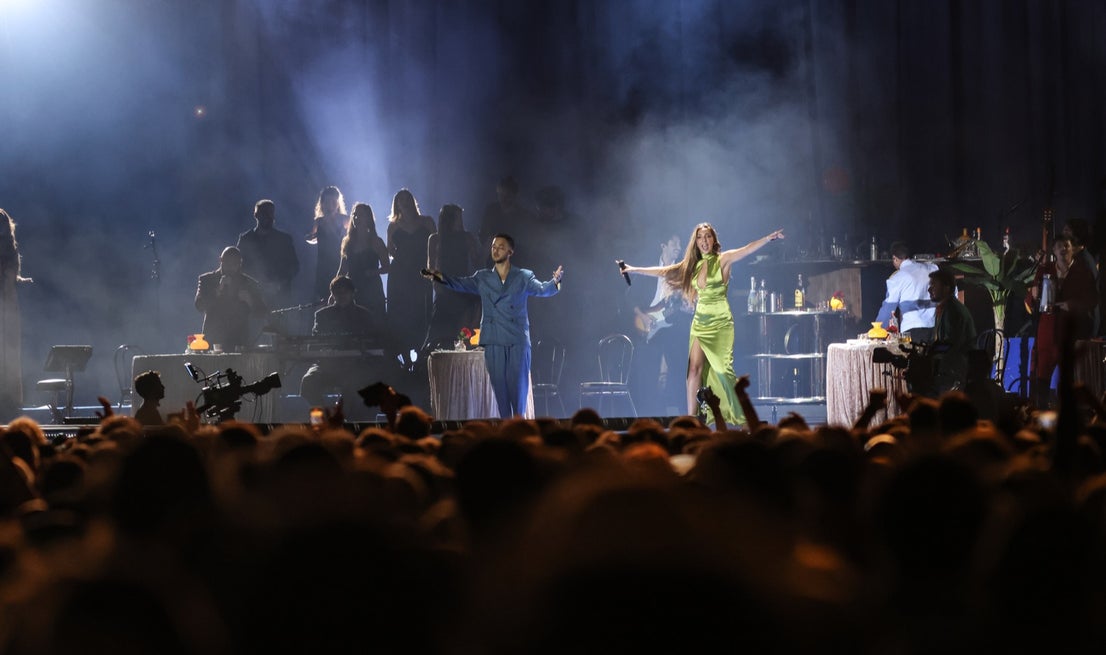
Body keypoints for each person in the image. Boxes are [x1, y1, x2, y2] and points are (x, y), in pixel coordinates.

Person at [620, 224, 784, 426]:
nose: (704, 241)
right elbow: (664, 271)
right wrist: (634, 269)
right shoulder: (693, 265)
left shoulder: (723, 259)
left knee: (723, 371)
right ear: (695, 242)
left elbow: (746, 249)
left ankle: (742, 416)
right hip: (700, 321)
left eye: (707, 237)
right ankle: (692, 419)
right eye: (700, 237)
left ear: (713, 240)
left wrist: (767, 238)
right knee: (694, 369)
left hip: (721, 321)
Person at [423, 234, 563, 418]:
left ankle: (519, 428)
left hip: (517, 340)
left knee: (518, 395)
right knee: (501, 396)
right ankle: (506, 429)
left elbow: (543, 289)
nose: (496, 250)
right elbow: (459, 283)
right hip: (494, 339)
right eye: (493, 247)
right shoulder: (482, 277)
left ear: (510, 252)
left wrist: (555, 282)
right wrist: (438, 276)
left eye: (501, 247)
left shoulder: (523, 276)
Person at [300, 276, 384, 413]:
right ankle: (324, 415)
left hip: (354, 365)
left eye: (345, 292)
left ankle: (345, 416)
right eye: (337, 293)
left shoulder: (364, 315)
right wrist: (324, 350)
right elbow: (315, 341)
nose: (341, 296)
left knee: (355, 383)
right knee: (308, 382)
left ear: (352, 293)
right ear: (332, 294)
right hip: (327, 365)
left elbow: (373, 341)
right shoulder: (322, 315)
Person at [630, 234, 694, 414]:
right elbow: (629, 297)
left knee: (680, 373)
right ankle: (649, 418)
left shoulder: (682, 272)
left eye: (680, 244)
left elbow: (690, 302)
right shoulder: (649, 270)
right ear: (663, 245)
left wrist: (689, 309)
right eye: (674, 243)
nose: (678, 247)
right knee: (647, 376)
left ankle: (684, 417)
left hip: (673, 329)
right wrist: (642, 316)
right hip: (648, 326)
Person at [387, 189, 436, 364]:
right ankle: (405, 356)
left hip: (421, 271)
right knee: (401, 312)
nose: (405, 203)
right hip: (400, 274)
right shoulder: (393, 226)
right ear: (397, 205)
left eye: (407, 199)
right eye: (401, 200)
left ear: (412, 201)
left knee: (421, 310)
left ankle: (423, 353)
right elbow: (390, 250)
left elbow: (436, 244)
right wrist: (402, 259)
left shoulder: (426, 221)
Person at [422, 204, 481, 351]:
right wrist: (437, 285)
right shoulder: (435, 239)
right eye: (458, 218)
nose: (461, 221)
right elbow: (431, 268)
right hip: (445, 291)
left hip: (462, 290)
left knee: (463, 333)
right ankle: (430, 357)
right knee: (438, 334)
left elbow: (477, 263)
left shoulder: (466, 238)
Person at [194, 246, 268, 350]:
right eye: (227, 263)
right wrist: (218, 290)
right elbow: (199, 305)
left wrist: (250, 301)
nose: (230, 267)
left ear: (240, 263)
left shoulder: (248, 283)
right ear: (221, 260)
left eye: (235, 264)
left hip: (239, 341)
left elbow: (262, 312)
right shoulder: (207, 280)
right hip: (213, 339)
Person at [236, 199, 299, 308]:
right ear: (256, 215)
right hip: (252, 297)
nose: (268, 216)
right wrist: (253, 285)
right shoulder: (246, 239)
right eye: (264, 213)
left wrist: (279, 283)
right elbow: (238, 265)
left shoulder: (284, 239)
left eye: (270, 213)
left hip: (280, 297)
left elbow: (294, 266)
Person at [335, 202, 389, 323]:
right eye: (355, 215)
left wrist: (373, 272)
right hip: (352, 290)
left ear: (368, 218)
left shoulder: (376, 242)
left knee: (374, 322)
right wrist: (335, 291)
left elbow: (387, 267)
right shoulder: (347, 242)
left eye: (361, 215)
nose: (356, 217)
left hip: (372, 290)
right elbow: (342, 270)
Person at [0, 209, 30, 420]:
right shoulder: (9, 250)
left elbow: (8, 281)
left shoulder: (7, 252)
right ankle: (9, 403)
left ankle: (7, 404)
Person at [874, 242, 938, 343]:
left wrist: (878, 330)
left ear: (895, 258)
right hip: (934, 328)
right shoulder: (931, 268)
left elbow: (888, 308)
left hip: (912, 330)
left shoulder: (897, 278)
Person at [928, 269, 977, 395]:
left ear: (946, 288)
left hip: (956, 368)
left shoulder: (952, 310)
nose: (929, 289)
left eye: (934, 285)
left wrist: (929, 352)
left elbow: (950, 343)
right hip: (952, 365)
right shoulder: (946, 307)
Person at [306, 186, 348, 300]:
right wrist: (310, 237)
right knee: (324, 296)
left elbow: (352, 238)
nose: (330, 205)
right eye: (328, 201)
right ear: (322, 204)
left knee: (341, 292)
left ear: (338, 203)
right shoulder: (318, 221)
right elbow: (312, 238)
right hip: (323, 264)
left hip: (340, 262)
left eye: (333, 201)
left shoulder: (344, 219)